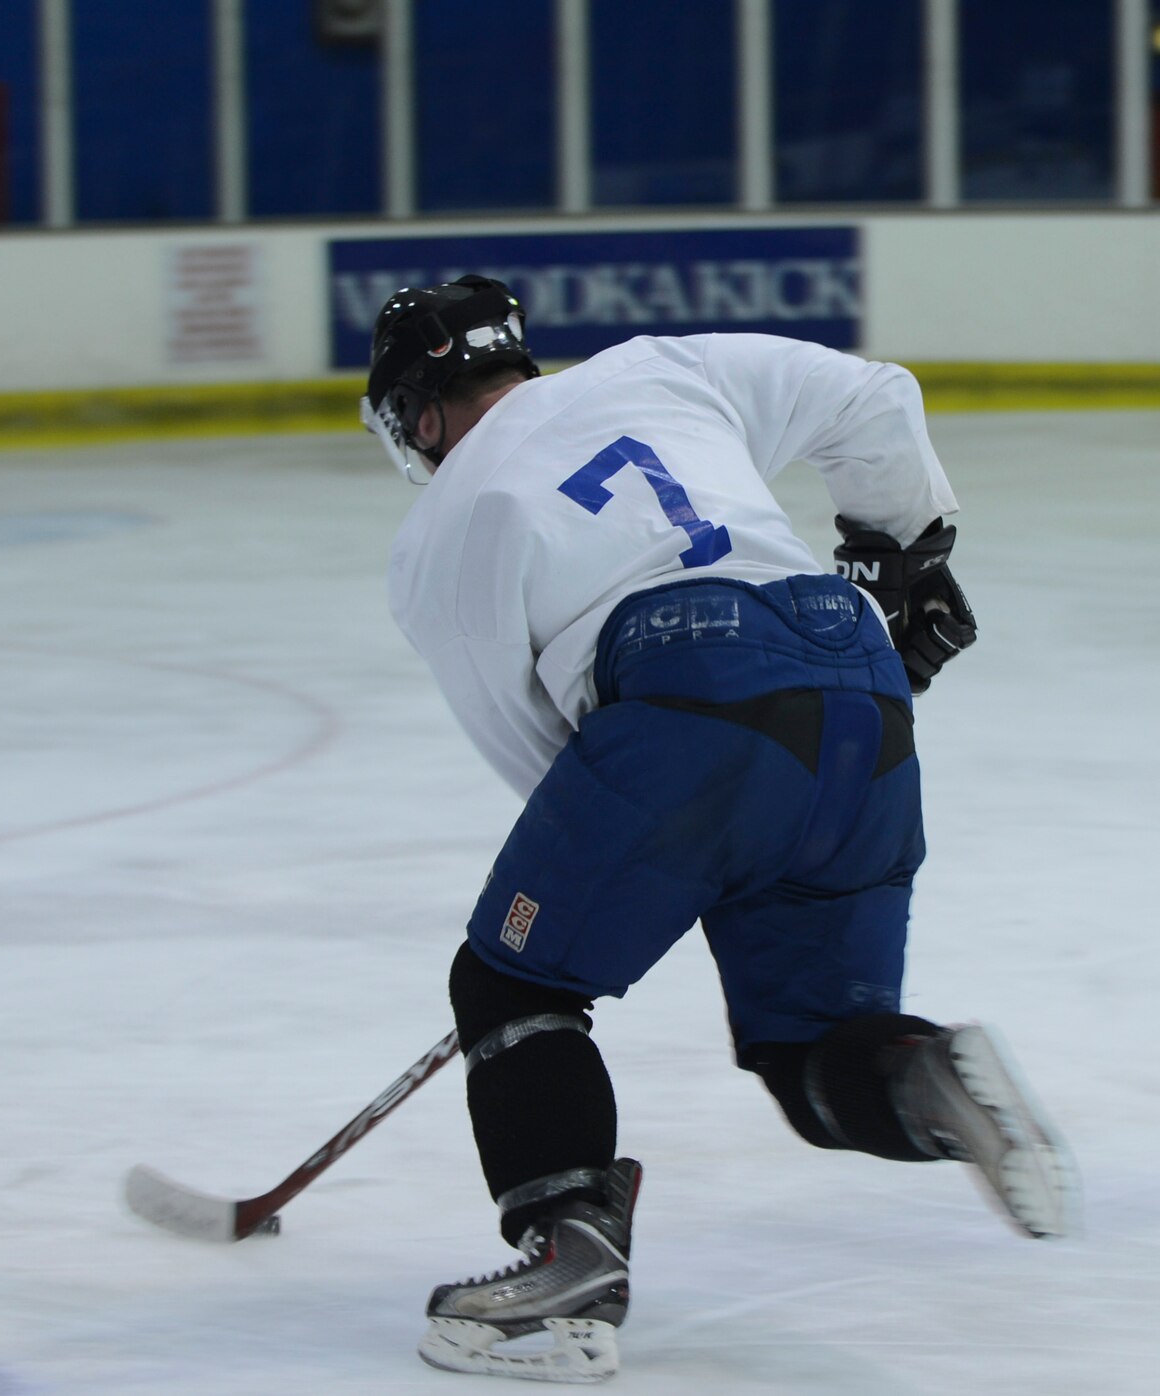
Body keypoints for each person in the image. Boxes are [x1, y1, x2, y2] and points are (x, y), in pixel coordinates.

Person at [362, 275, 1075, 1383]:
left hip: (686, 695)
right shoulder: (657, 368)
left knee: (510, 984)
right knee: (809, 1052)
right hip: (855, 677)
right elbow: (875, 397)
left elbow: (546, 760)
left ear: (419, 413)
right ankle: (923, 1074)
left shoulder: (440, 532)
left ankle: (568, 1263)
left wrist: (660, 853)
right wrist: (902, 557)